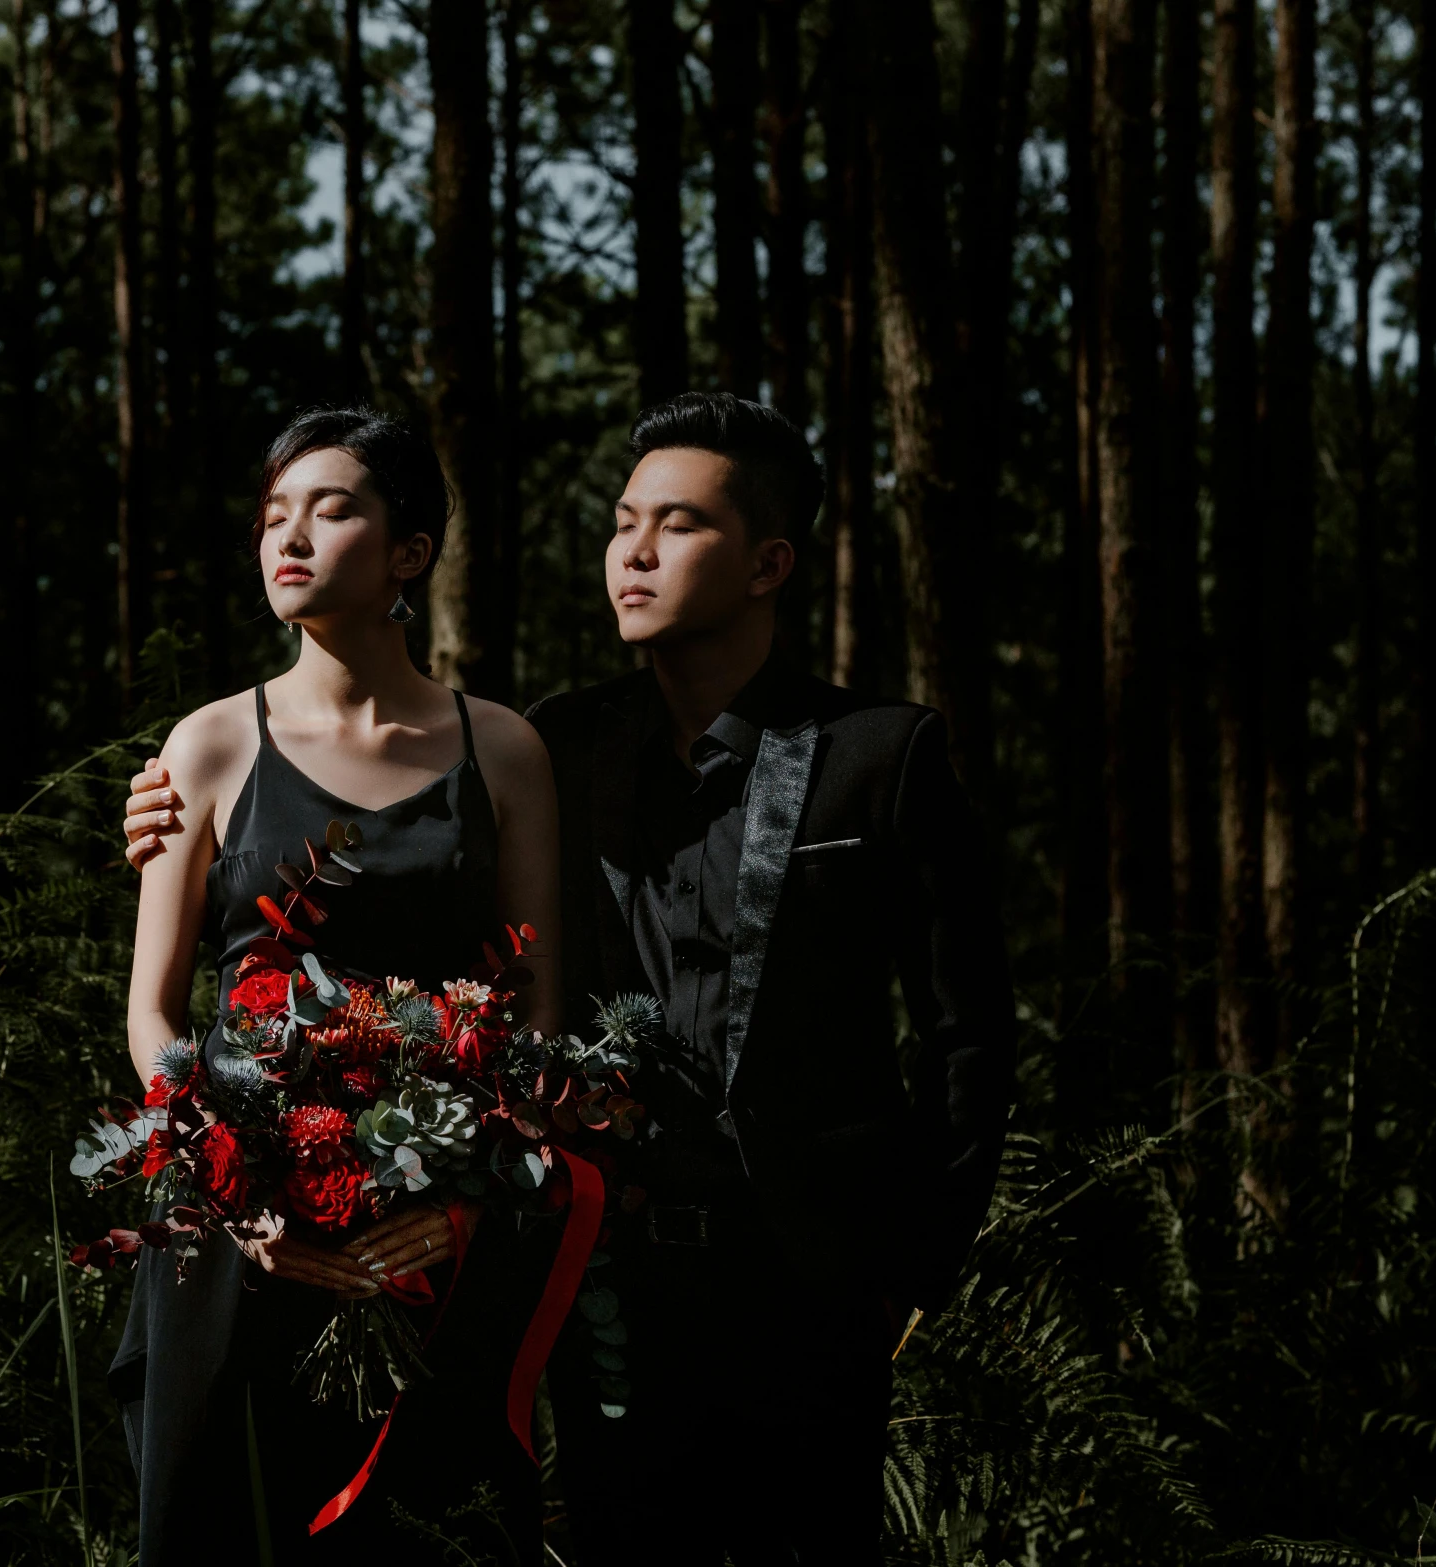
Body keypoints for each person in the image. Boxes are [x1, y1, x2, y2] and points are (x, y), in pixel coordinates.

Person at [125, 392, 1014, 1565]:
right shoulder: (562, 743)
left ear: (770, 562)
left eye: (678, 526)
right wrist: (158, 816)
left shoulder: (878, 757)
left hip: (808, 1286)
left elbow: (967, 1038)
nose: (633, 553)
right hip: (606, 1281)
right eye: (620, 521)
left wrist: (909, 1276)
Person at [111, 406, 564, 1565]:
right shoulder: (209, 744)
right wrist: (233, 1195)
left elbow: (539, 1001)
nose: (289, 535)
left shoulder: (500, 748)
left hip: (432, 1243)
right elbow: (156, 1011)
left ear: (409, 552)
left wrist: (461, 1195)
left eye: (332, 507)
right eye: (272, 514)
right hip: (235, 1240)